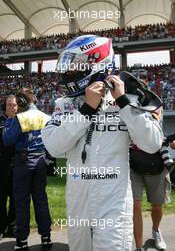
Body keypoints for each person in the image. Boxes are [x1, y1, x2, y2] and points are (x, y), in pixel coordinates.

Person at [41, 35, 163, 251]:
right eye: (68, 66)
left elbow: (153, 143)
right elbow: (54, 147)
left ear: (98, 63)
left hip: (113, 205)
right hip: (78, 202)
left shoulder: (127, 98)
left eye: (74, 65)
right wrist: (86, 110)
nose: (68, 72)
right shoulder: (64, 104)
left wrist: (124, 104)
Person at [2, 88, 52, 251]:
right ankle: (46, 237)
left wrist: (9, 121)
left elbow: (7, 139)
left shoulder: (19, 118)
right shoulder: (45, 117)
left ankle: (22, 241)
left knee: (22, 202)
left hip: (23, 162)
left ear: (22, 102)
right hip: (41, 161)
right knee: (41, 200)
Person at [130, 143, 171, 251]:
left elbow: (166, 139)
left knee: (157, 206)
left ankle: (156, 230)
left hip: (156, 166)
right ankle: (139, 247)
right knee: (135, 205)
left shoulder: (157, 126)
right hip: (134, 165)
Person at [0, 95, 17, 239]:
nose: (12, 107)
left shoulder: (21, 121)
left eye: (14, 104)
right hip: (1, 166)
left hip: (17, 166)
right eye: (9, 104)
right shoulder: (1, 121)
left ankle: (12, 227)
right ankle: (1, 226)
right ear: (4, 106)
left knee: (15, 199)